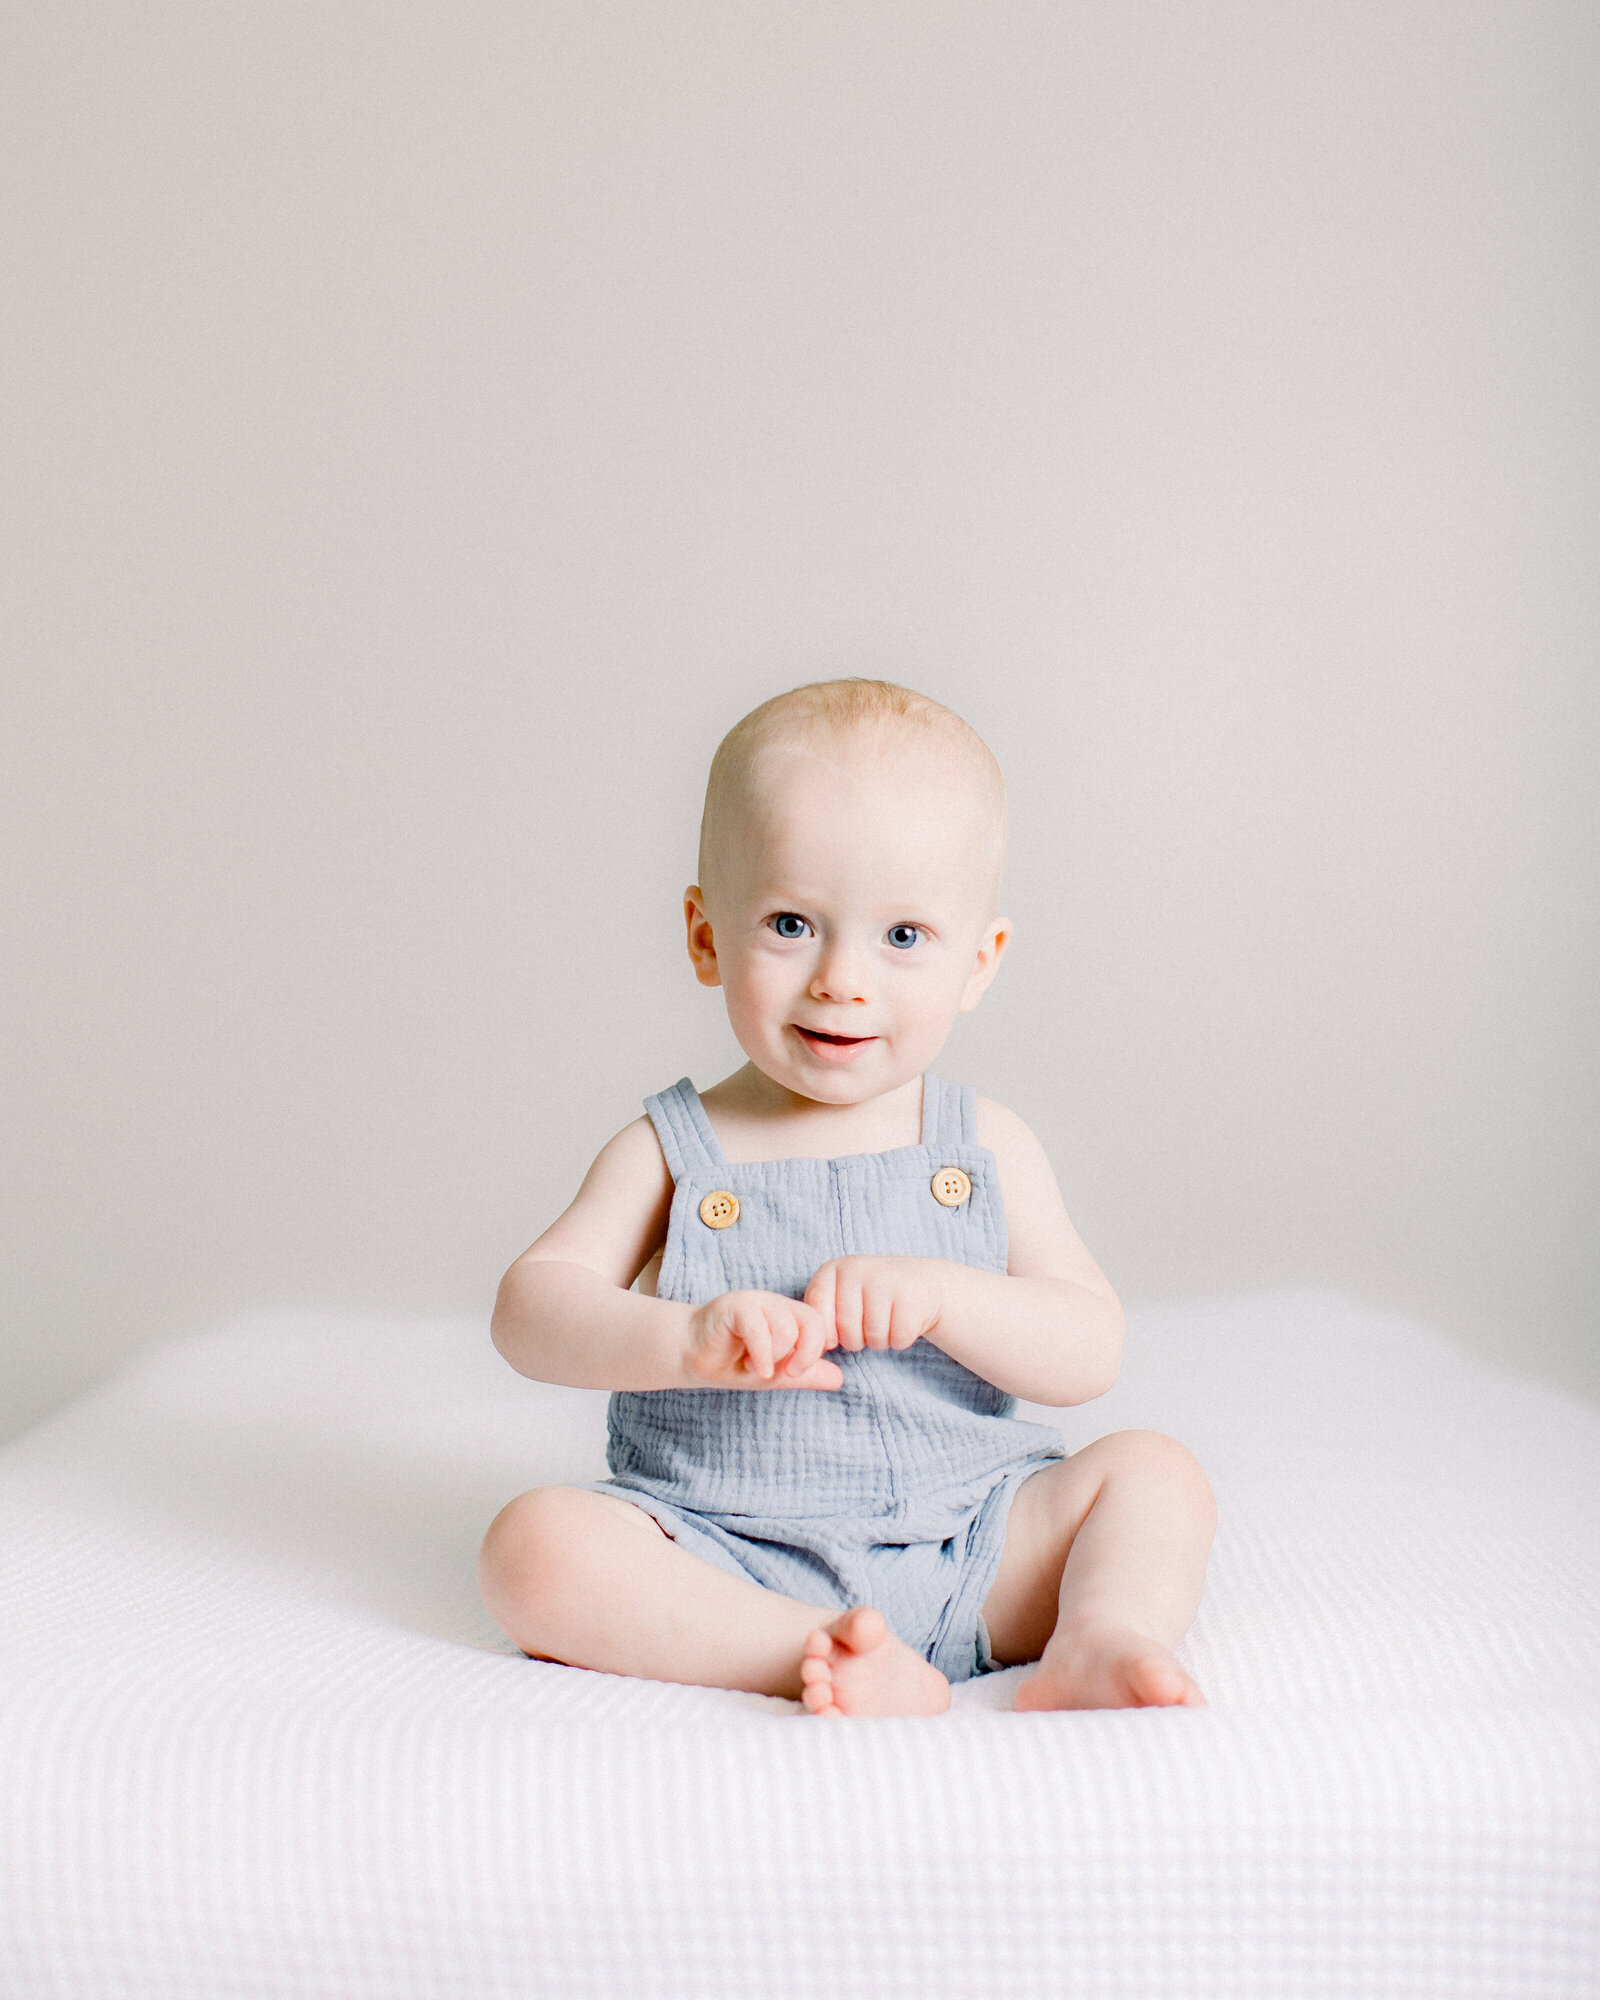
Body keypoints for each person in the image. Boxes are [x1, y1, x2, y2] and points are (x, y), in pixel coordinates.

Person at [480, 679, 1216, 1717]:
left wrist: (945, 1294)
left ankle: (1102, 1633)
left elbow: (1087, 1347)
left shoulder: (984, 1145)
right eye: (790, 922)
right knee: (534, 1547)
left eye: (903, 936)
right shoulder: (673, 1149)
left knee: (1154, 1471)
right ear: (704, 935)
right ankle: (815, 1649)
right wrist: (685, 1336)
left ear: (978, 961)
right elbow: (531, 1309)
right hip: (725, 1549)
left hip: (972, 1536)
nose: (841, 979)